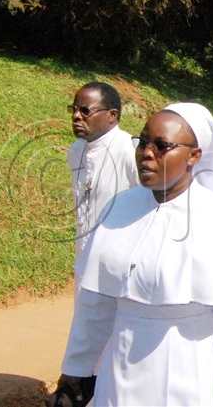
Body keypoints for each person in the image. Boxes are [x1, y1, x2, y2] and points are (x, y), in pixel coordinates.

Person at [54, 103, 213, 406]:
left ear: (195, 156)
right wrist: (75, 370)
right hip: (120, 369)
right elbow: (95, 307)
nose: (146, 153)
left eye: (162, 146)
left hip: (186, 371)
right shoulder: (119, 208)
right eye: (143, 142)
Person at [67, 82, 141, 295]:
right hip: (84, 254)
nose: (76, 116)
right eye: (74, 109)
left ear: (112, 115)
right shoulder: (75, 151)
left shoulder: (130, 151)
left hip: (121, 261)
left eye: (85, 110)